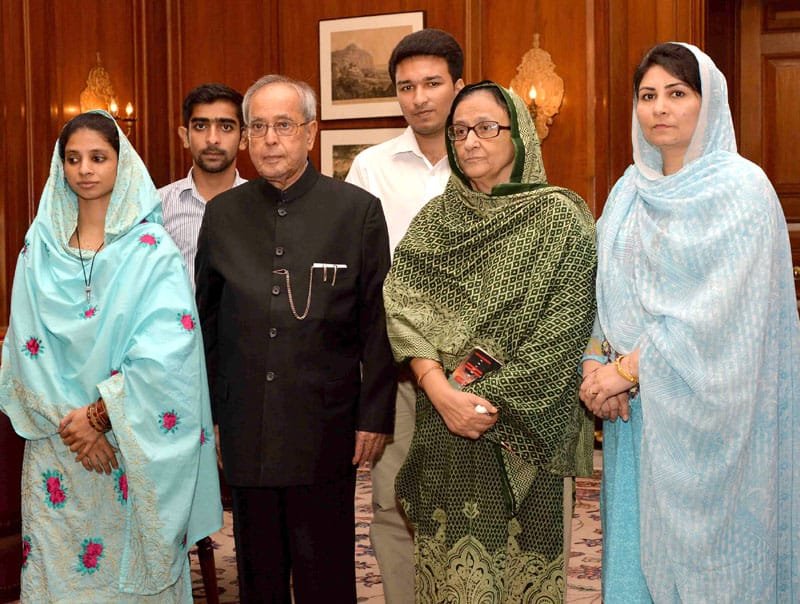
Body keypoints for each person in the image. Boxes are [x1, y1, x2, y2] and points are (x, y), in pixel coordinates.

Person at [579, 42, 800, 602]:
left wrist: (626, 370)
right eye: (648, 96)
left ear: (710, 102)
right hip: (639, 417)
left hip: (719, 427)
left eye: (677, 94)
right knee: (638, 552)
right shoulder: (629, 191)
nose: (660, 108)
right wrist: (595, 366)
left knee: (716, 564)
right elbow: (603, 291)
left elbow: (722, 317)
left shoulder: (741, 190)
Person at [383, 81, 596, 602]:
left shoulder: (561, 219)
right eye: (459, 132)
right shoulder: (436, 221)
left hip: (526, 431)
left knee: (521, 580)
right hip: (443, 423)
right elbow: (403, 305)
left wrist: (479, 404)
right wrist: (441, 392)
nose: (470, 142)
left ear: (519, 134)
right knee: (449, 578)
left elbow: (563, 336)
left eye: (485, 128)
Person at [0, 111, 221, 602]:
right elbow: (24, 343)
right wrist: (71, 425)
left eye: (98, 157)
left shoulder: (150, 249)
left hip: (129, 444)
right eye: (73, 159)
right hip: (56, 445)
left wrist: (101, 416)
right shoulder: (39, 246)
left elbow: (168, 351)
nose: (85, 169)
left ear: (123, 165)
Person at [195, 74, 396, 603]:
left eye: (282, 125)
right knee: (257, 571)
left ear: (310, 132)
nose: (268, 139)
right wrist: (212, 413)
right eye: (256, 126)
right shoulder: (222, 215)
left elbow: (378, 323)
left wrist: (373, 416)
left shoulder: (356, 211)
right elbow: (207, 323)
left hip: (324, 423)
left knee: (323, 570)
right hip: (244, 423)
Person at [345, 28, 464, 604]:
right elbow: (354, 278)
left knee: (472, 510)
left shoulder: (491, 159)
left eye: (432, 83)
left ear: (459, 85)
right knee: (393, 505)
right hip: (397, 368)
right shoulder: (370, 169)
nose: (419, 98)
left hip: (477, 372)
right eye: (406, 87)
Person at [159, 83, 247, 291]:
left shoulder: (264, 207)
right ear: (185, 136)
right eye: (200, 126)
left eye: (226, 127)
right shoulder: (157, 207)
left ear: (243, 138)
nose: (212, 139)